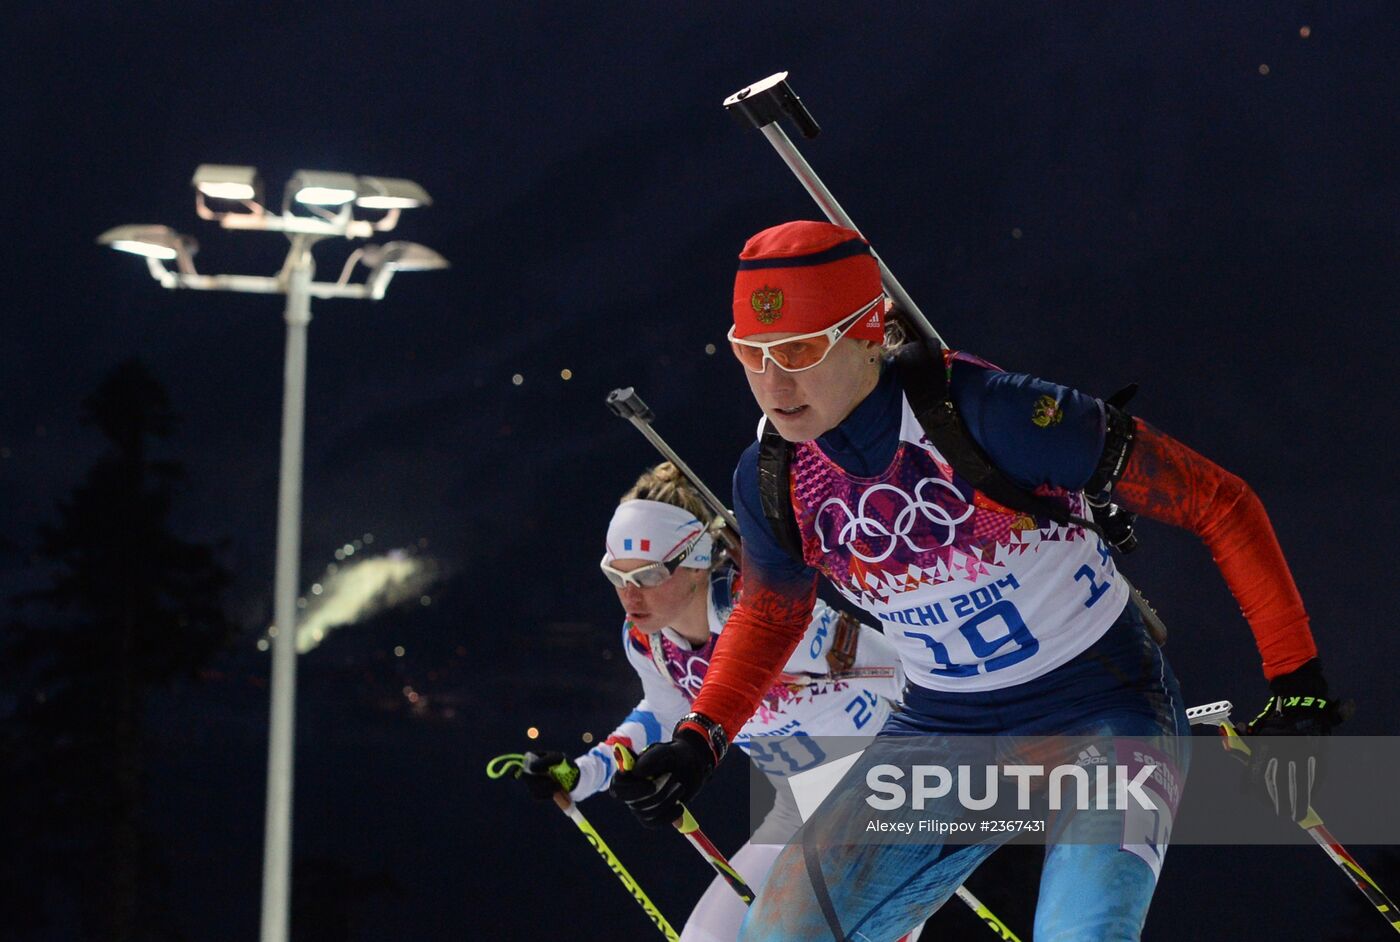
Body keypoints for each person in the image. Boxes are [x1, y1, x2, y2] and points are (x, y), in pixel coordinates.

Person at [609, 221, 1346, 941]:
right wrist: (699, 738)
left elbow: (1221, 503)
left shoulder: (994, 415)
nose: (773, 381)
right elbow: (771, 617)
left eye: (799, 349)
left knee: (1081, 930)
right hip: (943, 731)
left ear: (869, 330)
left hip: (1103, 710)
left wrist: (1297, 683)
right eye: (752, 352)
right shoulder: (774, 476)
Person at [517, 461, 907, 942]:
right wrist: (581, 776)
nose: (628, 595)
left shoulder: (768, 617)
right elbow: (661, 716)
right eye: (615, 576)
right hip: (796, 810)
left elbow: (906, 672)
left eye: (647, 574)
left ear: (698, 559)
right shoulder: (650, 642)